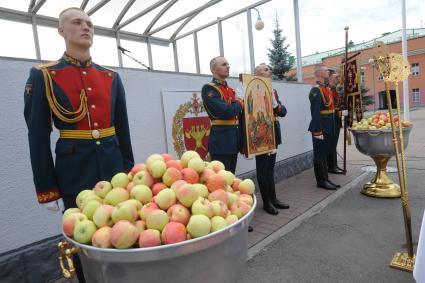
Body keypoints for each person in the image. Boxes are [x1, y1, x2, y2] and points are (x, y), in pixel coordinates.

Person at [23, 7, 134, 282]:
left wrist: (129, 170)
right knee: (83, 249)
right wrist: (47, 188)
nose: (86, 27)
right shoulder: (45, 75)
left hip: (113, 170)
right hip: (75, 174)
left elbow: (123, 129)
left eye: (89, 23)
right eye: (77, 22)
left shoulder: (111, 77)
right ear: (62, 30)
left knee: (122, 237)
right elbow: (37, 136)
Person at [254, 64, 289, 215]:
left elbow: (283, 112)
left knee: (270, 169)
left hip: (273, 132)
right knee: (262, 170)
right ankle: (266, 202)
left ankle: (273, 199)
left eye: (269, 69)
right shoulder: (253, 89)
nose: (270, 71)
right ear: (257, 74)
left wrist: (276, 104)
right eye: (266, 69)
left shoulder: (272, 91)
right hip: (261, 133)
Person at [201, 56, 243, 174]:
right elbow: (226, 111)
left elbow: (237, 114)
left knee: (231, 178)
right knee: (221, 180)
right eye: (224, 64)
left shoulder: (231, 90)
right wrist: (239, 101)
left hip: (234, 140)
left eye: (228, 64)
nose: (228, 66)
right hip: (221, 141)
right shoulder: (209, 88)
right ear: (213, 70)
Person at [308, 66, 340, 190]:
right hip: (320, 127)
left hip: (328, 126)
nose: (329, 72)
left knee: (324, 153)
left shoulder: (326, 89)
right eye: (326, 70)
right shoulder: (316, 91)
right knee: (319, 154)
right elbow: (315, 112)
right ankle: (321, 181)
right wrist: (317, 129)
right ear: (320, 73)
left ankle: (326, 178)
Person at [327, 72, 345, 174]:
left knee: (334, 144)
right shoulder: (328, 90)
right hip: (331, 121)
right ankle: (331, 167)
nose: (338, 78)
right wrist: (340, 112)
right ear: (330, 78)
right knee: (331, 144)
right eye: (336, 77)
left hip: (336, 121)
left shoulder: (335, 91)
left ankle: (334, 165)